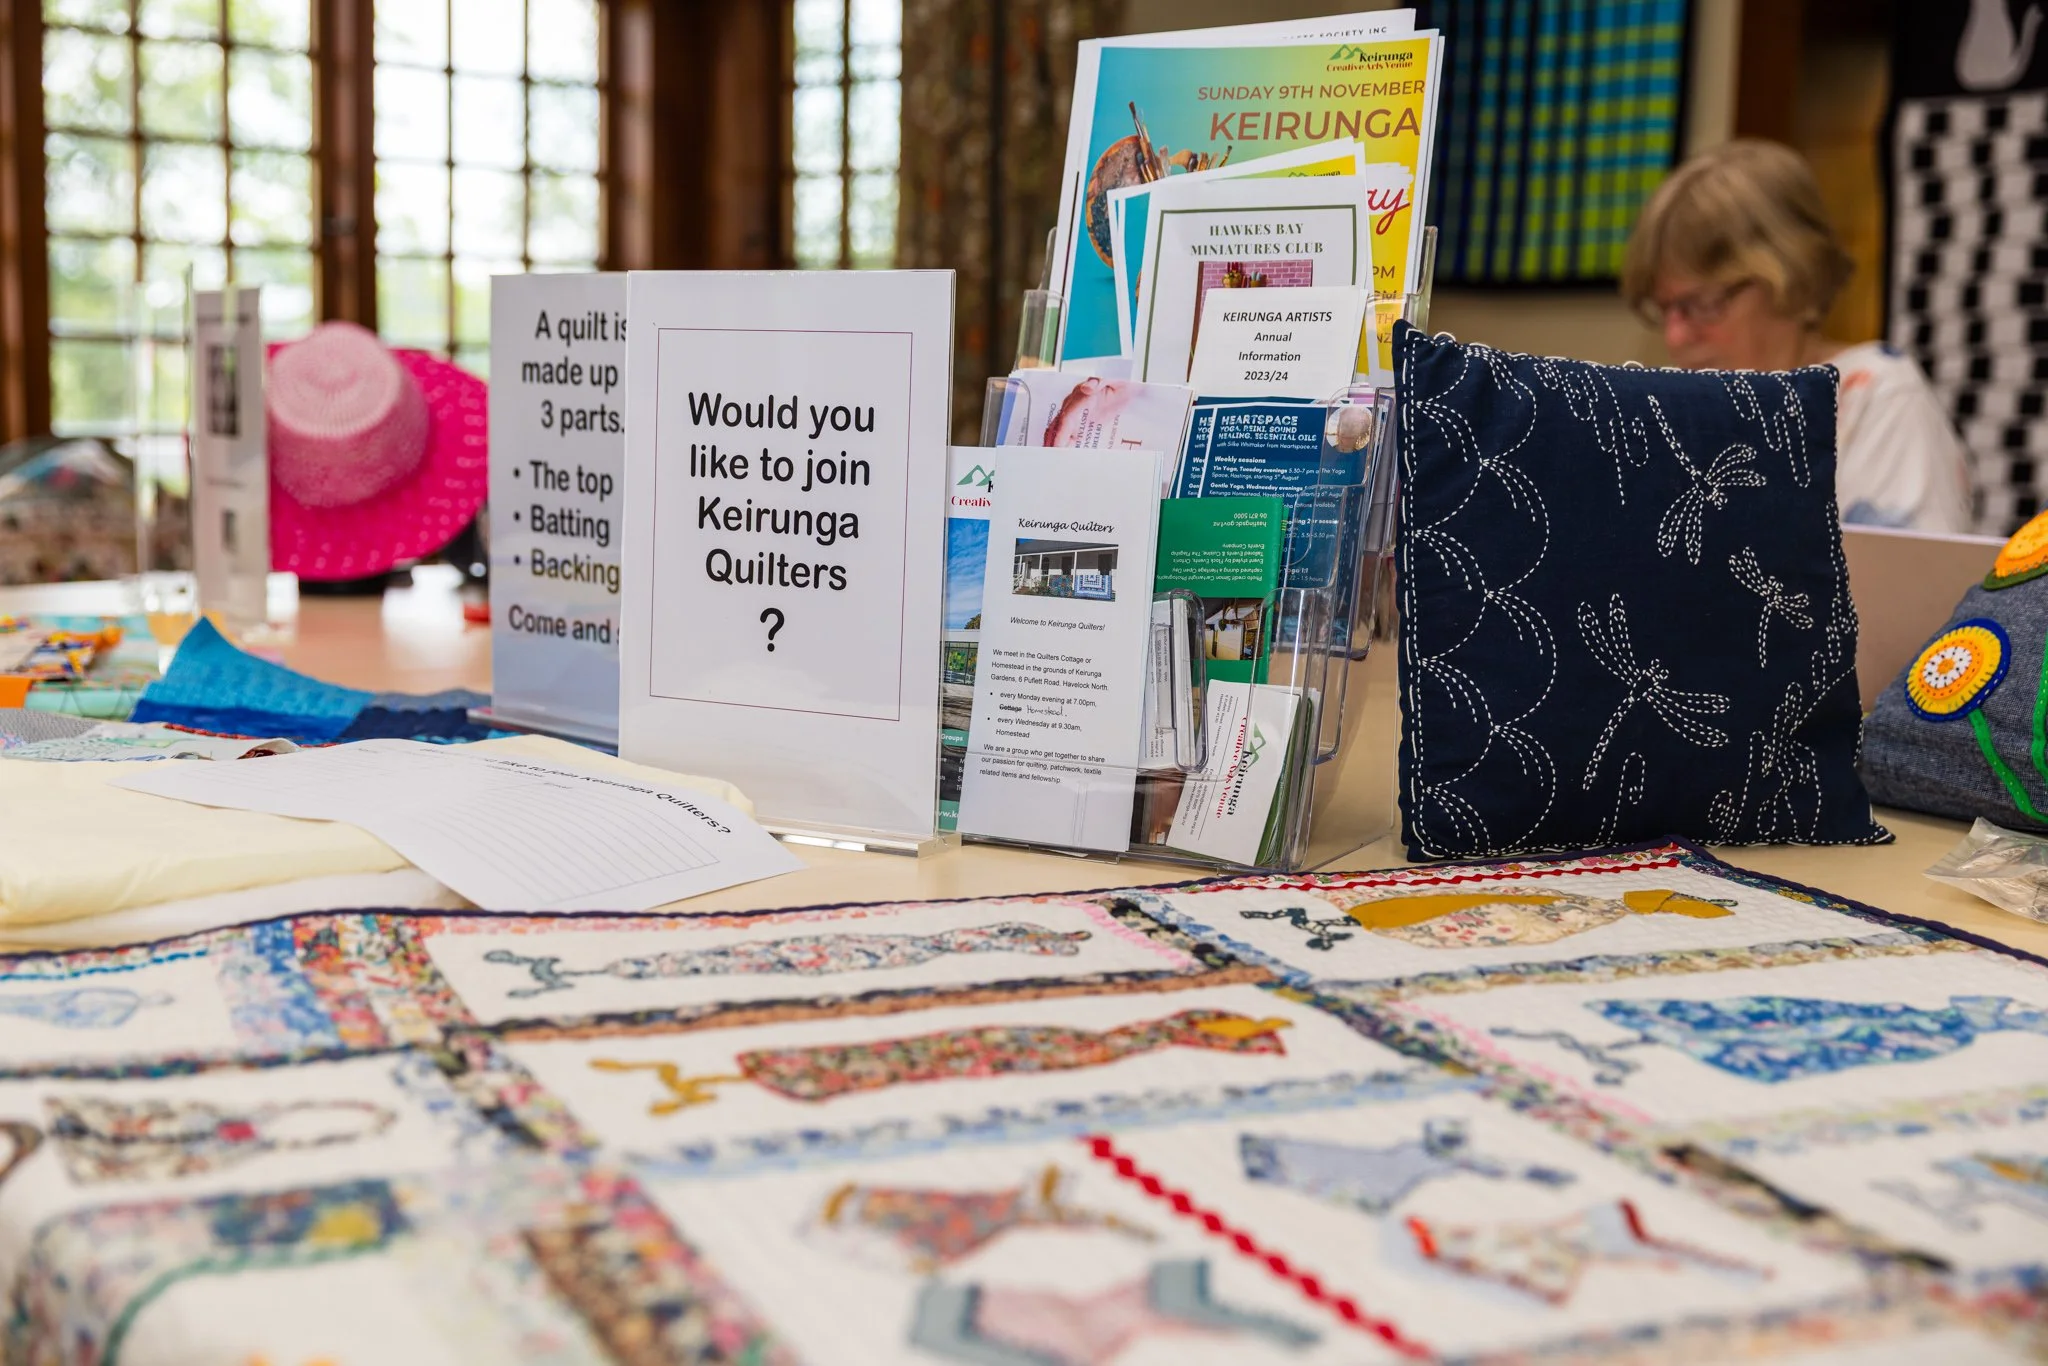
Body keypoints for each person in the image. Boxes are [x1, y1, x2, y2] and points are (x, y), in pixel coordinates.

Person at [1622, 139, 1973, 533]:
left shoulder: (1877, 398)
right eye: (1664, 309)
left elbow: (1911, 589)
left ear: (1788, 277)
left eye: (1702, 305)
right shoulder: (1689, 415)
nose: (1674, 336)